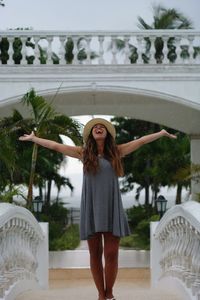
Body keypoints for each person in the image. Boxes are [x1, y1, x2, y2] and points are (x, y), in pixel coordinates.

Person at [19, 117, 177, 300]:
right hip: (92, 208)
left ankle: (109, 292)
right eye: (95, 127)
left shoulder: (117, 152)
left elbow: (140, 141)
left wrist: (161, 133)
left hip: (111, 208)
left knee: (111, 253)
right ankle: (101, 295)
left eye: (102, 126)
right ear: (91, 134)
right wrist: (34, 139)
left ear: (107, 133)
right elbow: (55, 146)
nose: (99, 128)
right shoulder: (84, 153)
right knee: (95, 254)